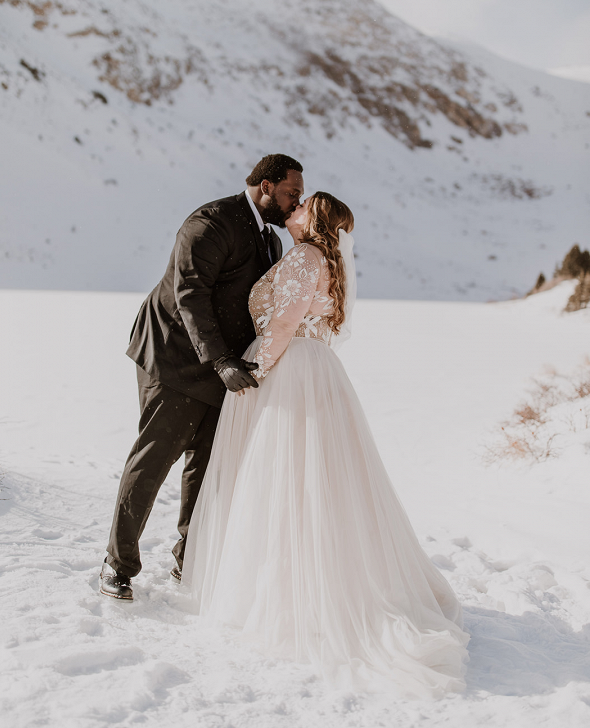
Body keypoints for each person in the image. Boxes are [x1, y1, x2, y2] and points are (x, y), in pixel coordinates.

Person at [182, 192, 469, 696]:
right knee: (313, 480)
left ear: (314, 220)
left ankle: (290, 595)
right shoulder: (322, 260)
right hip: (316, 371)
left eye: (302, 205)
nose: (293, 210)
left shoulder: (305, 257)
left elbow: (287, 323)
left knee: (284, 478)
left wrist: (252, 374)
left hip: (287, 370)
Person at [99, 154, 305, 600]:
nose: (296, 202)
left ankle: (189, 560)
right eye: (292, 192)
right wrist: (222, 361)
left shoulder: (271, 240)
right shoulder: (212, 221)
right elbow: (190, 295)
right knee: (153, 461)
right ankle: (118, 565)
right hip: (174, 359)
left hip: (223, 368)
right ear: (266, 186)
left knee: (208, 470)